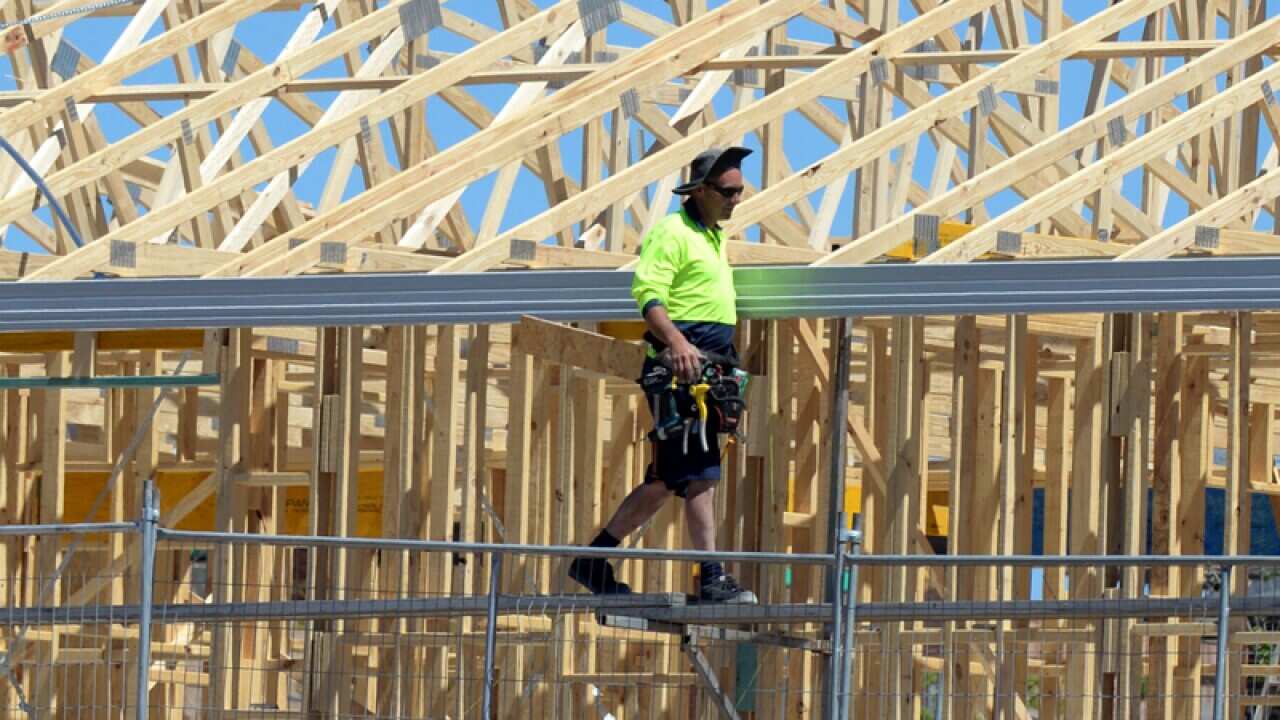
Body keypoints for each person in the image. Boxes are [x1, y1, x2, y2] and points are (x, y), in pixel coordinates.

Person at [567, 147, 758, 605]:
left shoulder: (711, 236)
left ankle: (592, 560)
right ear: (701, 191)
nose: (736, 200)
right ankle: (711, 576)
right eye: (728, 192)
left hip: (705, 367)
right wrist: (677, 344)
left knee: (665, 481)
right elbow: (648, 294)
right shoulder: (671, 233)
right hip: (684, 370)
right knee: (701, 475)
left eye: (740, 192)